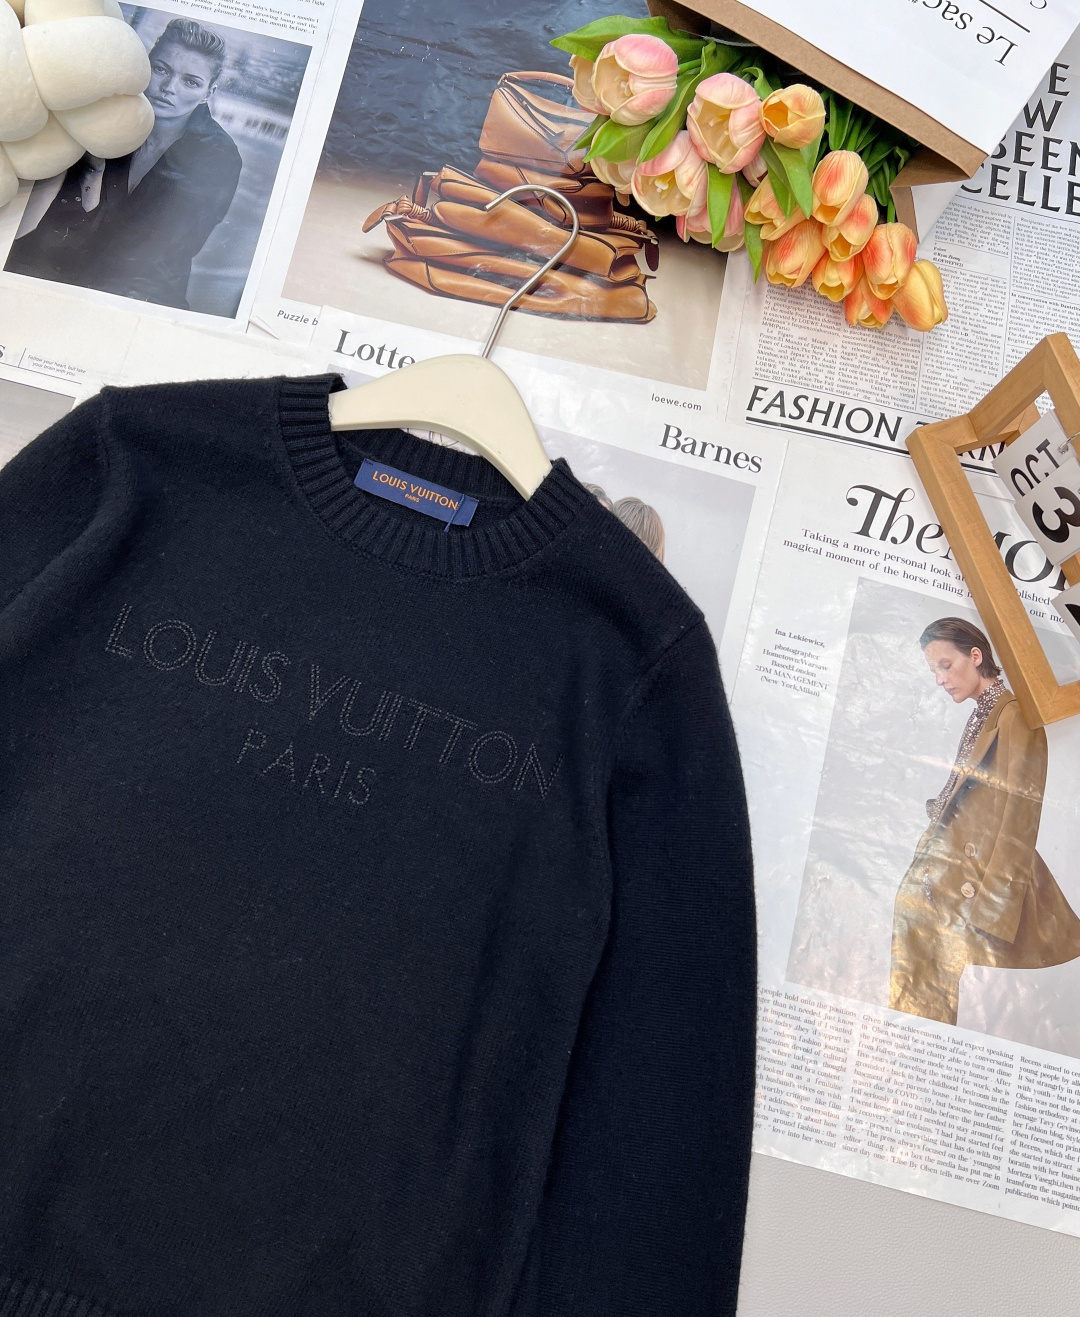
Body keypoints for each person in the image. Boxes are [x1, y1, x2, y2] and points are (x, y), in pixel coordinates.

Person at [889, 616, 1080, 1025]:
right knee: (918, 982)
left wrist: (993, 907)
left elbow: (1019, 819)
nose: (940, 680)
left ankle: (919, 1046)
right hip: (948, 870)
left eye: (945, 665)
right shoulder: (984, 712)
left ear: (976, 656)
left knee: (929, 994)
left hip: (972, 882)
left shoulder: (1015, 715)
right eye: (934, 671)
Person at [6, 19, 242, 310]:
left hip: (140, 285)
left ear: (208, 93)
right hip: (58, 261)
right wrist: (92, 177)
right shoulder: (103, 114)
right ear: (145, 65)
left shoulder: (217, 154)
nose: (169, 88)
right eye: (161, 69)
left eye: (190, 82)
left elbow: (169, 249)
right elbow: (47, 217)